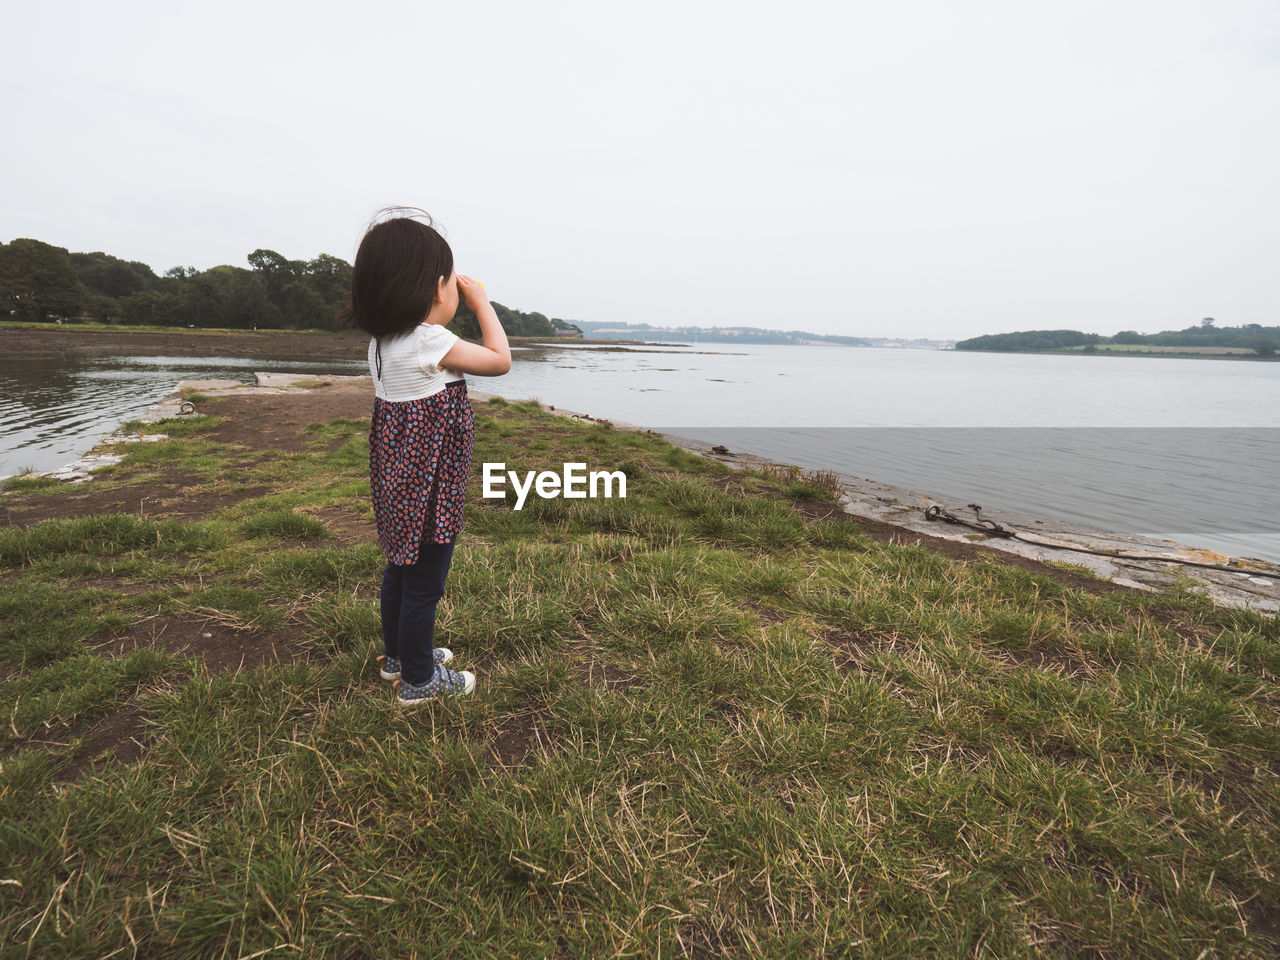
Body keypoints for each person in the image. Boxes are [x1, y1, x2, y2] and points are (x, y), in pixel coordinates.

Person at [340, 208, 511, 706]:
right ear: (438, 289)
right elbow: (499, 361)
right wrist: (483, 304)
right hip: (431, 488)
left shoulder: (382, 343)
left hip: (398, 483)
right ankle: (419, 682)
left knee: (401, 568)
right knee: (425, 584)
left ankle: (398, 658)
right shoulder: (428, 340)